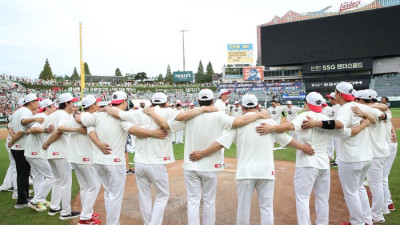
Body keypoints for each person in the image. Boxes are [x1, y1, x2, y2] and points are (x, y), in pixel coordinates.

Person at [144, 89, 270, 225]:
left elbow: (165, 125)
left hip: (191, 164)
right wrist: (259, 115)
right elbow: (238, 122)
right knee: (209, 201)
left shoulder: (190, 116)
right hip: (211, 164)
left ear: (198, 101)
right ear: (212, 101)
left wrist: (151, 112)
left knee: (193, 201)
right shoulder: (219, 115)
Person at [190, 94, 315, 225]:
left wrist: (203, 153)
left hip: (245, 172)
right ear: (257, 106)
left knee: (243, 209)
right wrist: (303, 148)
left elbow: (220, 143)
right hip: (266, 172)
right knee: (266, 209)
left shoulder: (237, 123)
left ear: (243, 107)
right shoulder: (270, 123)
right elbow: (287, 140)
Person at [256, 92, 370, 225]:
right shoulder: (326, 119)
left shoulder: (305, 115)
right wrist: (363, 125)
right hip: (323, 163)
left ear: (307, 104)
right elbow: (348, 133)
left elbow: (290, 126)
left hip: (307, 162)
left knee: (303, 198)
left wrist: (272, 128)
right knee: (322, 199)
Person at [302, 82, 387, 225]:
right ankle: (367, 220)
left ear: (339, 94)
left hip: (351, 158)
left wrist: (317, 124)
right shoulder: (360, 106)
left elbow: (339, 124)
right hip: (367, 156)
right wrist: (368, 116)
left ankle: (358, 222)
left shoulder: (345, 109)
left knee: (351, 193)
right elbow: (383, 115)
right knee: (359, 189)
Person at [79, 91, 166, 225]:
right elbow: (132, 130)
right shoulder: (122, 117)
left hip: (98, 161)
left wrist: (98, 144)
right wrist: (153, 133)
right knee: (115, 196)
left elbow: (85, 124)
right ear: (124, 102)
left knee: (109, 193)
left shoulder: (98, 114)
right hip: (115, 161)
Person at [58, 94, 102, 225]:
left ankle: (88, 213)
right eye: (96, 103)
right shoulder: (87, 116)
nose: (98, 105)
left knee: (85, 186)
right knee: (94, 185)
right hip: (85, 156)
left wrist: (77, 116)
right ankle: (85, 218)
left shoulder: (78, 117)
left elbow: (63, 128)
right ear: (92, 105)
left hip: (75, 157)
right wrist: (78, 117)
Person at [41, 93, 81, 220]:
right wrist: (47, 143)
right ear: (67, 103)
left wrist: (47, 143)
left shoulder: (52, 115)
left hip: (51, 152)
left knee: (58, 180)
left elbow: (45, 130)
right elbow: (59, 131)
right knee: (65, 181)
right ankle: (65, 212)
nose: (74, 104)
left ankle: (54, 207)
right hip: (59, 151)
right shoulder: (63, 115)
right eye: (72, 102)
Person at [355, 90, 390, 223]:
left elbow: (383, 108)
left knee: (375, 184)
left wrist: (366, 109)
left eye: (358, 99)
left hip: (375, 153)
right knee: (379, 183)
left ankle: (377, 215)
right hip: (382, 151)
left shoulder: (369, 111)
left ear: (362, 100)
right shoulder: (381, 112)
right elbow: (384, 108)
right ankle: (382, 209)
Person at [7, 93, 43, 209]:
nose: (38, 103)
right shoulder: (25, 112)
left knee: (24, 173)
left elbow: (11, 126)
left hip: (19, 147)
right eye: (36, 101)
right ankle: (21, 201)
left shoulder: (19, 111)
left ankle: (25, 197)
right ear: (31, 102)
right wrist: (35, 118)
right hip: (20, 147)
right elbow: (23, 124)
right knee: (23, 174)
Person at [25, 99, 56, 212]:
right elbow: (32, 129)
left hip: (32, 152)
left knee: (38, 176)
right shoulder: (43, 116)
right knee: (51, 176)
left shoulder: (42, 116)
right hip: (36, 153)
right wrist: (46, 129)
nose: (55, 107)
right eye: (52, 106)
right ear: (47, 108)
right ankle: (35, 200)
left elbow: (30, 129)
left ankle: (40, 200)